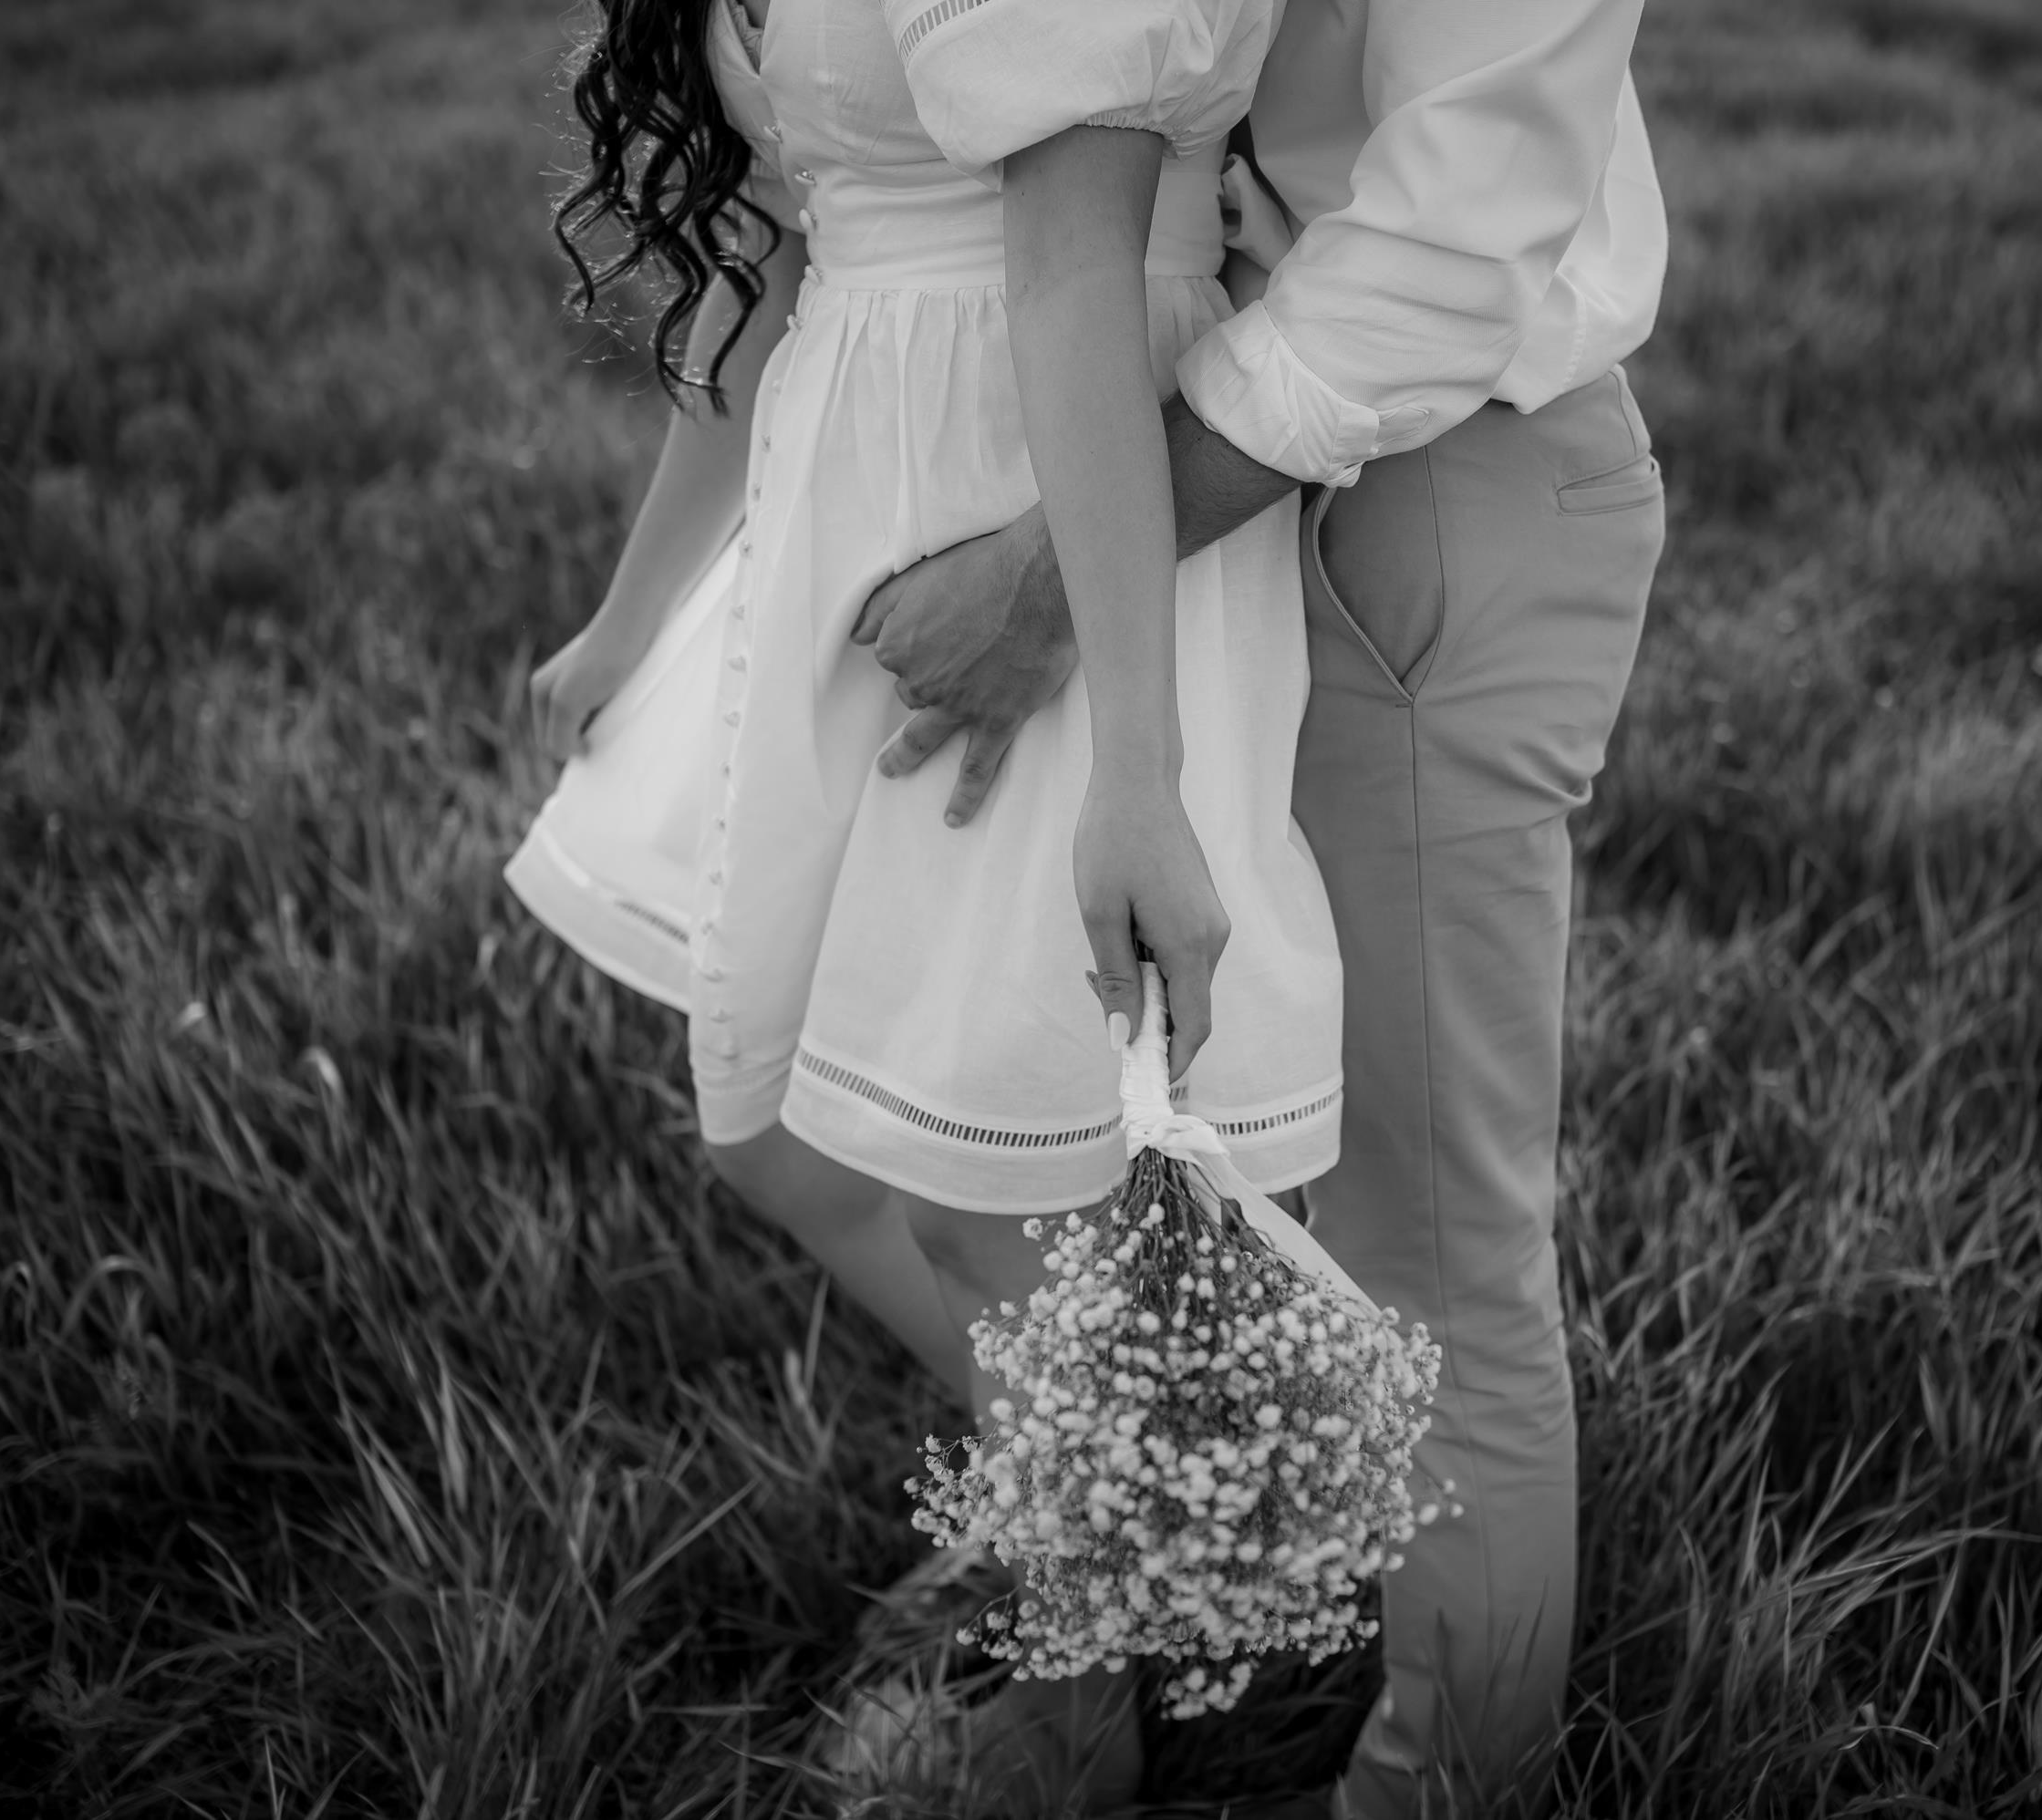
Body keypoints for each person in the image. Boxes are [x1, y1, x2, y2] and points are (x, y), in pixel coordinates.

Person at [509, 0, 1339, 1804]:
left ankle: (1072, 1713)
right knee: (771, 1127)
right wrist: (637, 611)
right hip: (854, 515)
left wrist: (1134, 757)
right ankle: (1132, 1505)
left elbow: (1071, 271)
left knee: (991, 1190)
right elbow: (782, 261)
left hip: (1057, 499)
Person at [850, 3, 1669, 1813]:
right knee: (1154, 1142)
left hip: (1414, 471)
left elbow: (1446, 251)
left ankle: (1442, 1782)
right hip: (1225, 465)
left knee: (1429, 1244)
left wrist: (1060, 573)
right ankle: (1133, 1605)